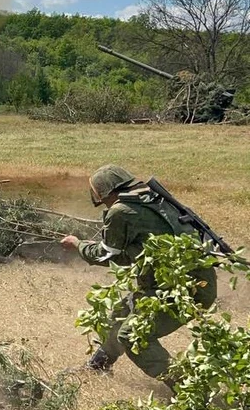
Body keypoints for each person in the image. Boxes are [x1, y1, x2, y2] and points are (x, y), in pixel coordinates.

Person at [59, 164, 217, 389]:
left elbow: (105, 255)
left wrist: (78, 244)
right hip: (187, 284)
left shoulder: (121, 211)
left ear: (105, 193)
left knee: (133, 336)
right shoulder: (153, 199)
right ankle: (99, 364)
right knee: (122, 314)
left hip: (182, 291)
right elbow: (134, 253)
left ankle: (188, 390)